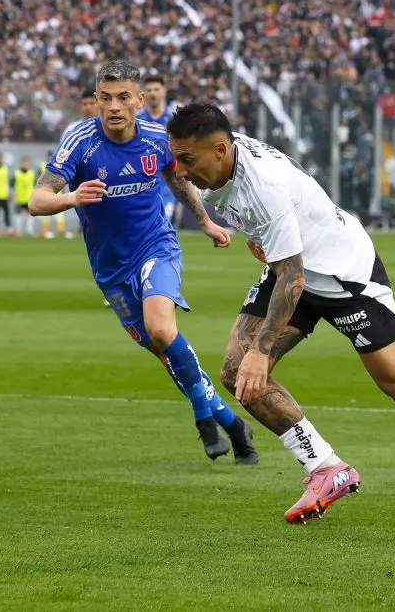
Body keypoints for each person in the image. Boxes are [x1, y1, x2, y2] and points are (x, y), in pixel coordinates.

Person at [166, 103, 395, 523]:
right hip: (292, 267)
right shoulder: (217, 159)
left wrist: (262, 349)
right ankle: (325, 467)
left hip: (344, 275)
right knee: (238, 373)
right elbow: (176, 170)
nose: (181, 170)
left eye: (188, 160)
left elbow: (292, 277)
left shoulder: (263, 187)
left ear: (220, 150)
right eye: (177, 158)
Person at [28, 61, 258, 464]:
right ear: (97, 100)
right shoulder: (80, 140)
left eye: (122, 97)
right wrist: (72, 197)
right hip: (110, 271)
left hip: (156, 248)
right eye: (105, 98)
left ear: (139, 100)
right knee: (163, 350)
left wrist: (204, 221)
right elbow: (37, 200)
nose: (113, 106)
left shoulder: (157, 136)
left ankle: (204, 418)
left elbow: (177, 177)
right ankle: (231, 422)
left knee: (161, 328)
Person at [42, 90, 100, 240]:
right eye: (84, 104)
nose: (88, 107)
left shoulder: (108, 126)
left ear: (99, 104)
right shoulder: (72, 130)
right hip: (80, 180)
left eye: (91, 103)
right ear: (80, 107)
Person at [138, 75, 180, 224]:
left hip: (167, 186)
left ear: (164, 91)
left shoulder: (175, 120)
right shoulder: (136, 121)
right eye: (149, 90)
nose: (153, 93)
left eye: (156, 89)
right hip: (141, 186)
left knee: (163, 224)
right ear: (143, 94)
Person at [13, 158, 36, 237]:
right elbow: (12, 186)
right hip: (19, 198)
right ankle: (18, 232)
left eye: (26, 163)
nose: (25, 165)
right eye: (23, 163)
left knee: (30, 215)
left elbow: (35, 185)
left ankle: (30, 231)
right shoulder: (16, 174)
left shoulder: (31, 174)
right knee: (18, 216)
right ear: (20, 164)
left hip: (29, 199)